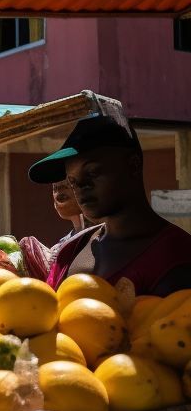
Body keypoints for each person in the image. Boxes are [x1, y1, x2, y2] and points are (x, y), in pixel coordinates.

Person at [30, 115, 191, 297]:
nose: (82, 186)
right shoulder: (71, 251)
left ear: (134, 166)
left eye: (93, 171)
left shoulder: (174, 256)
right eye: (72, 181)